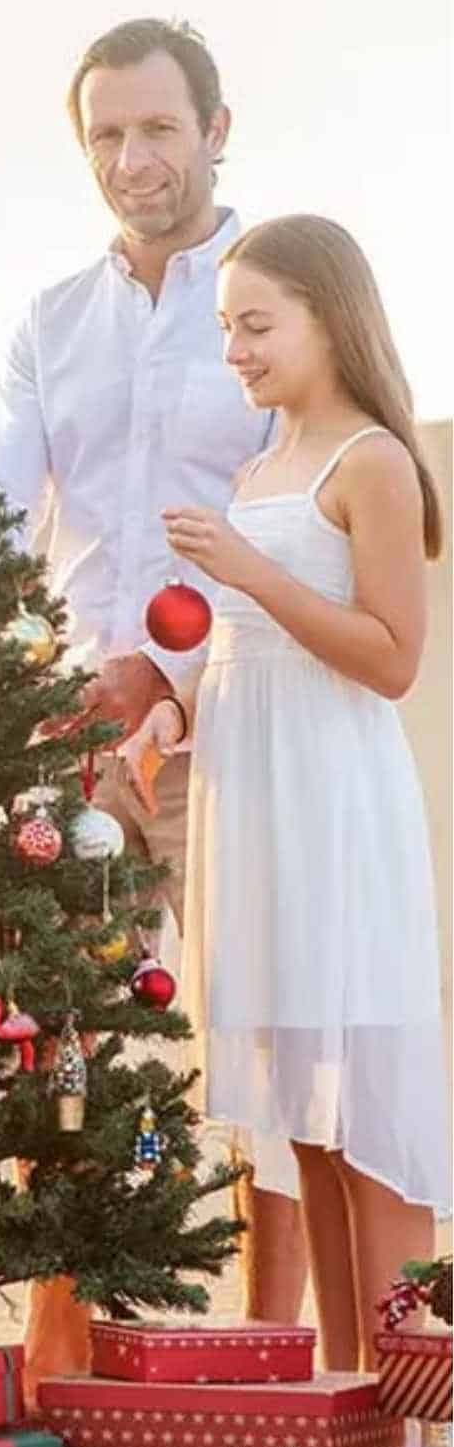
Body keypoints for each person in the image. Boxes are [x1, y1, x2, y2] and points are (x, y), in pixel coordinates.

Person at [0, 17, 306, 1383]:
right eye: (107, 134)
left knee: (264, 1036)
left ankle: (278, 1354)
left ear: (217, 130)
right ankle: (65, 1354)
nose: (133, 160)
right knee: (68, 1044)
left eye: (159, 128)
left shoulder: (279, 303)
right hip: (77, 746)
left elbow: (304, 513)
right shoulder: (49, 323)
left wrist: (170, 676)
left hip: (245, 717)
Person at [149, 213, 447, 1369]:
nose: (235, 350)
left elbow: (392, 658)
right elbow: (242, 645)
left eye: (257, 325)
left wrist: (247, 567)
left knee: (365, 1103)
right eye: (226, 327)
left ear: (328, 317)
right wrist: (174, 714)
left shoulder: (369, 461)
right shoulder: (257, 467)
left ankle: (414, 1407)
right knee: (305, 1121)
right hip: (254, 801)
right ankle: (346, 1387)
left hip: (333, 801)